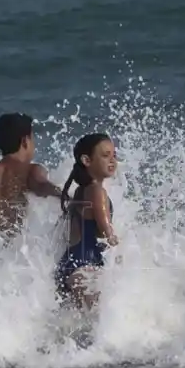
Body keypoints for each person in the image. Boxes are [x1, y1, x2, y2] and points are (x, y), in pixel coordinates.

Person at [0, 113, 62, 241]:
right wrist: (65, 197)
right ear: (25, 141)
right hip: (15, 253)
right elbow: (41, 185)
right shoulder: (30, 170)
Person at [54, 133, 119, 310]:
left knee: (76, 328)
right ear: (86, 160)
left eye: (114, 155)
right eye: (105, 156)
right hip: (85, 267)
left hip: (70, 265)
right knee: (100, 325)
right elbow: (108, 234)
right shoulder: (97, 192)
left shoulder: (80, 192)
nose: (112, 160)